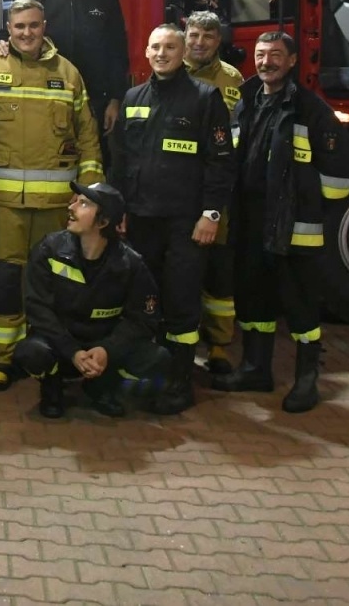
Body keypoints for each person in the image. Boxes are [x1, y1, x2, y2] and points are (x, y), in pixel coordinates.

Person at [212, 32, 349, 413]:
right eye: (261, 55)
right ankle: (255, 369)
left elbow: (342, 170)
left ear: (292, 61)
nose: (266, 62)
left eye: (276, 55)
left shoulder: (310, 109)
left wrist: (311, 206)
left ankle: (307, 379)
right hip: (250, 221)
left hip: (296, 227)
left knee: (300, 305)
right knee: (253, 299)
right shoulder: (245, 99)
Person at [0, 0, 104, 397]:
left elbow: (88, 140)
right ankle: (0, 360)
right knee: (5, 281)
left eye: (33, 25)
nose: (26, 33)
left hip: (57, 208)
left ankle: (47, 355)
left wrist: (91, 198)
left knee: (51, 285)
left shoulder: (68, 74)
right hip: (4, 205)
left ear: (45, 25)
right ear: (7, 29)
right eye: (18, 27)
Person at [108, 24, 235, 415]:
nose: (162, 54)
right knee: (147, 303)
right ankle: (152, 376)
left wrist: (210, 214)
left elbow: (220, 162)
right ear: (145, 53)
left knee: (181, 304)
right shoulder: (133, 98)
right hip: (141, 222)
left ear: (183, 54)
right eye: (155, 47)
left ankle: (179, 384)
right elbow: (121, 161)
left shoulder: (205, 97)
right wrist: (118, 211)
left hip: (185, 223)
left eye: (170, 47)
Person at [14, 182, 169, 419]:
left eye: (83, 203)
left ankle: (102, 387)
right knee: (31, 353)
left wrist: (107, 349)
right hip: (61, 343)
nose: (71, 207)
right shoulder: (50, 250)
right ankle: (52, 387)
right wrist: (72, 351)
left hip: (104, 346)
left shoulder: (130, 264)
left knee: (157, 360)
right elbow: (36, 307)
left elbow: (144, 318)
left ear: (103, 222)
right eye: (74, 200)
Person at [7, 0, 130, 135]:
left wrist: (116, 99)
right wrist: (0, 44)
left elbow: (117, 50)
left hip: (94, 102)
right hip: (42, 96)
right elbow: (12, 36)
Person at [184, 11, 245, 374]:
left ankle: (220, 345)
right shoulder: (174, 69)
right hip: (180, 188)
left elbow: (235, 140)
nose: (200, 42)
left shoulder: (232, 80)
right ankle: (185, 340)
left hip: (216, 190)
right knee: (184, 271)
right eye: (194, 34)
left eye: (208, 35)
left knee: (219, 272)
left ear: (218, 40)